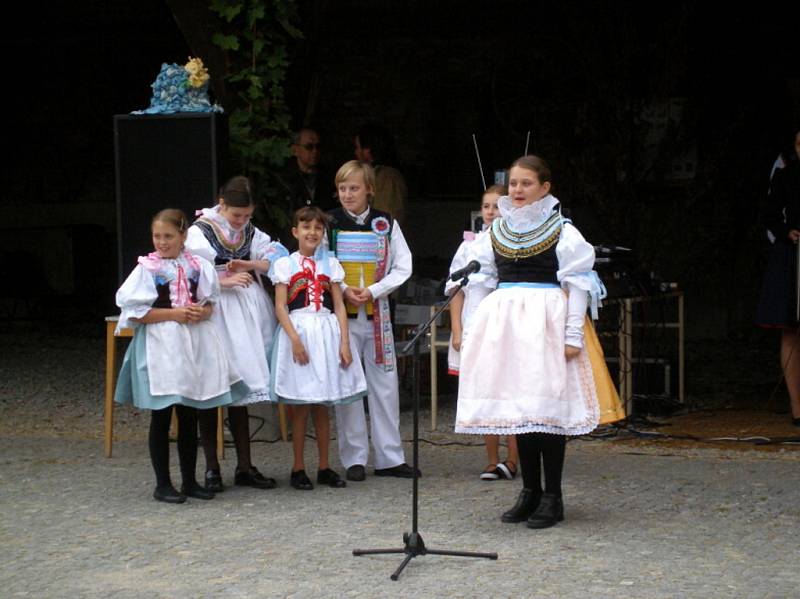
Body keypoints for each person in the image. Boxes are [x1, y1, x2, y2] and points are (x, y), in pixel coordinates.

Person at [455, 155, 604, 529]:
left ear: (544, 188)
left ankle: (553, 495)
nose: (518, 190)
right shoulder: (496, 232)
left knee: (545, 412)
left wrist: (572, 335)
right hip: (506, 326)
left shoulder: (563, 231)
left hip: (545, 323)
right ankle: (530, 492)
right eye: (514, 184)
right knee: (521, 410)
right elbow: (480, 283)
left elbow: (578, 283)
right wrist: (472, 332)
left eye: (526, 183)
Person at [114, 209, 248, 503]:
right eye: (157, 236)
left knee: (189, 413)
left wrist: (202, 311)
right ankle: (163, 483)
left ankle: (189, 480)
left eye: (168, 236)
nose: (161, 242)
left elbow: (211, 303)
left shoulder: (198, 267)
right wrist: (174, 313)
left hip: (193, 344)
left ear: (183, 236)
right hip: (162, 345)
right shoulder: (147, 269)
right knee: (162, 416)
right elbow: (136, 313)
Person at [186, 176, 288, 492]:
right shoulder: (199, 231)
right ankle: (212, 468)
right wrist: (222, 282)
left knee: (241, 387)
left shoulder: (250, 231)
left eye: (246, 216)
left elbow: (278, 255)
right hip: (214, 311)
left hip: (245, 315)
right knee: (212, 387)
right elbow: (188, 271)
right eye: (235, 215)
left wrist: (250, 263)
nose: (241, 221)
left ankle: (245, 465)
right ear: (222, 204)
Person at [326, 160, 417, 480]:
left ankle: (390, 457)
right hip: (343, 316)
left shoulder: (386, 223)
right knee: (349, 385)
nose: (347, 194)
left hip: (378, 315)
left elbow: (403, 265)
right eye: (342, 189)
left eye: (354, 188)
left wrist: (376, 290)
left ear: (369, 190)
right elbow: (321, 263)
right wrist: (343, 288)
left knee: (385, 385)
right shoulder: (329, 222)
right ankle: (353, 457)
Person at [270, 206, 367, 490]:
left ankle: (324, 465)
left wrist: (344, 342)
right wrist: (295, 340)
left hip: (326, 333)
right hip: (299, 331)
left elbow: (339, 304)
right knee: (300, 406)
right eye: (306, 227)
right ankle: (298, 466)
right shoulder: (285, 265)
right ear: (295, 231)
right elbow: (280, 306)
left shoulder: (331, 265)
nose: (312, 232)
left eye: (318, 228)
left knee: (323, 405)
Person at [446, 184, 519, 481]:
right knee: (485, 392)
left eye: (497, 206)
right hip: (474, 319)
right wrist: (456, 328)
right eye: (486, 206)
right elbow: (456, 290)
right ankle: (491, 459)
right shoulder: (469, 246)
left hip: (504, 321)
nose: (491, 212)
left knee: (510, 394)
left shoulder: (514, 244)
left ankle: (513, 459)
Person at [757, 129, 800, 426]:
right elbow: (770, 215)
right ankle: (798, 408)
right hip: (795, 256)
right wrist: (788, 232)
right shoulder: (786, 175)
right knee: (791, 330)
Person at [354, 123, 408, 226]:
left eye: (357, 147)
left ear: (367, 150)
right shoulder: (379, 176)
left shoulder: (388, 179)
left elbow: (384, 220)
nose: (356, 152)